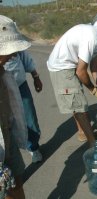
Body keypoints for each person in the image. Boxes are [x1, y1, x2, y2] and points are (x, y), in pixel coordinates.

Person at [47, 15, 97, 146]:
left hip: (71, 64)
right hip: (62, 67)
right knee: (80, 106)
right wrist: (94, 90)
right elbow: (81, 71)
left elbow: (94, 65)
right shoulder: (91, 38)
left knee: (78, 103)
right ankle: (93, 144)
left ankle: (84, 133)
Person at [0, 15, 29, 199]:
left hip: (6, 135)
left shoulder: (2, 70)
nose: (14, 54)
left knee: (16, 180)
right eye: (10, 50)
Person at [3, 34, 43, 163]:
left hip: (21, 86)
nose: (13, 55)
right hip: (3, 92)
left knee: (30, 119)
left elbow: (26, 59)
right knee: (8, 125)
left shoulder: (15, 43)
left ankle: (34, 148)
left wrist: (36, 77)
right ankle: (9, 155)